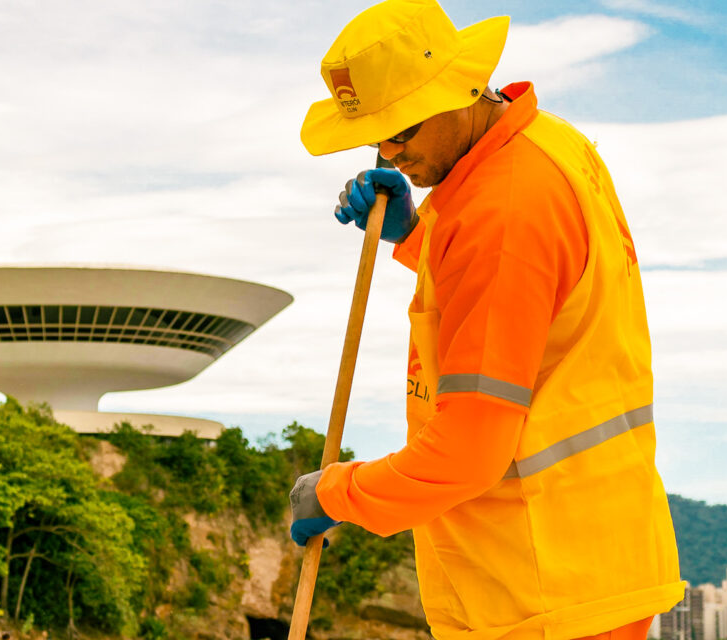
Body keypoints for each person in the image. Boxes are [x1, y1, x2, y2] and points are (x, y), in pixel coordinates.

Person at [287, 2, 684, 640]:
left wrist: (336, 494)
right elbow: (530, 296)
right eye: (377, 136)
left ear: (460, 91)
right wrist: (419, 239)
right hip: (583, 561)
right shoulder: (545, 142)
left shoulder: (501, 210)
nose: (390, 154)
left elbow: (467, 455)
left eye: (404, 130)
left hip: (539, 588)